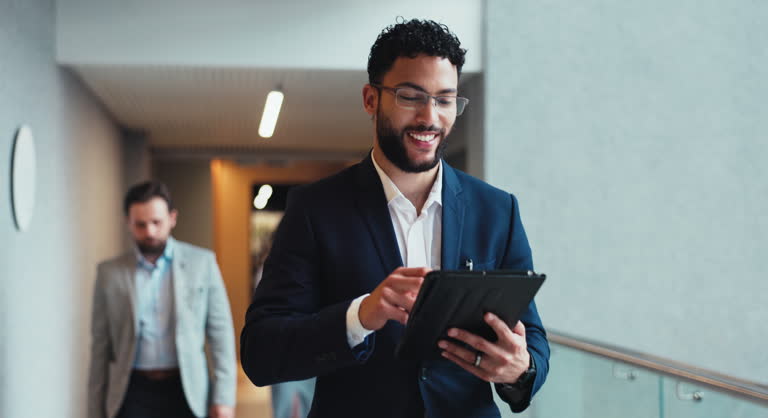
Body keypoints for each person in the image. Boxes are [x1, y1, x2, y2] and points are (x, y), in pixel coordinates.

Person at [240, 18, 549, 418]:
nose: (430, 117)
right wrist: (360, 316)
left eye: (444, 99)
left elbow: (534, 338)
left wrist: (520, 370)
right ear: (371, 99)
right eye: (410, 96)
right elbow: (261, 353)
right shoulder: (314, 210)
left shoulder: (497, 210)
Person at [88, 181, 236, 418]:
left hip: (187, 389)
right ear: (128, 222)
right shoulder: (109, 273)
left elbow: (221, 335)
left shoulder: (202, 263)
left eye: (157, 222)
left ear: (172, 218)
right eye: (140, 224)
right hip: (132, 391)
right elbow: (99, 348)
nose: (150, 232)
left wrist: (224, 399)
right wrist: (94, 410)